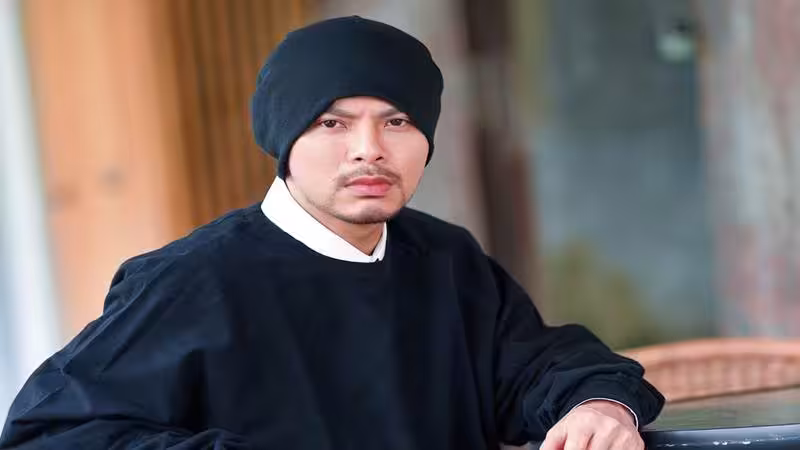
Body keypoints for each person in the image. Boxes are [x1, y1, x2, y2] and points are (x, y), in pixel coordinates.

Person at [0, 16, 663, 450]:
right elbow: (53, 434)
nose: (369, 149)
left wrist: (600, 406)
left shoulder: (444, 259)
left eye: (397, 121)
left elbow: (542, 366)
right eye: (332, 123)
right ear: (284, 139)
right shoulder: (192, 281)